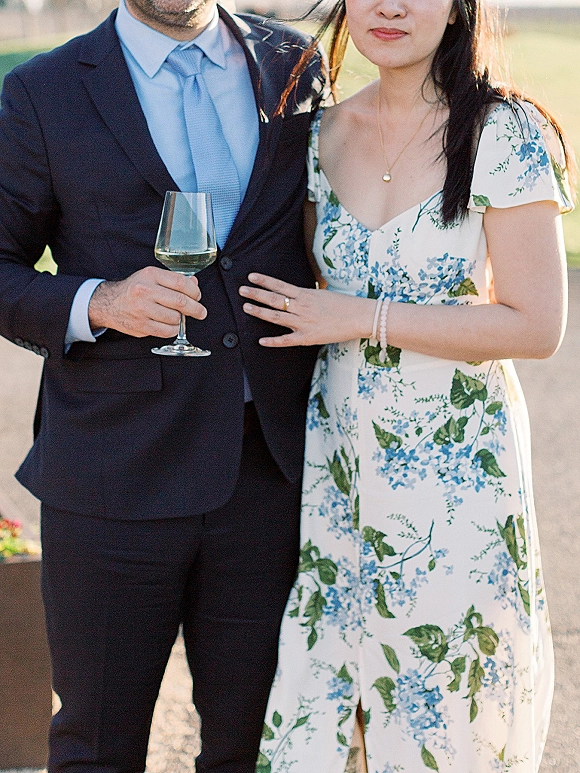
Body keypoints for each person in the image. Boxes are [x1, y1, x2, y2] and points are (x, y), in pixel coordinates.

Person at [239, 0, 576, 771]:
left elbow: (536, 326)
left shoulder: (503, 133)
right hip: (342, 468)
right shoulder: (316, 136)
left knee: (448, 720)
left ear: (459, 7)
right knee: (328, 716)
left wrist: (361, 316)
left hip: (457, 481)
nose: (391, 7)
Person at [0, 0, 328, 770]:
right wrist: (99, 302)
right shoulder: (43, 90)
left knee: (254, 745)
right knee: (97, 747)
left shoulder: (296, 65)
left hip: (268, 473)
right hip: (112, 476)